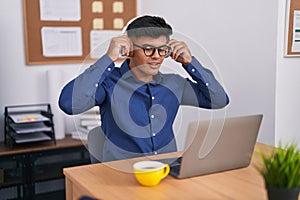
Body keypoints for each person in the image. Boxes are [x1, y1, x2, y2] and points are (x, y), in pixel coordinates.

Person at [59, 15, 229, 162]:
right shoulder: (109, 83)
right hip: (121, 174)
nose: (156, 56)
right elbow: (69, 104)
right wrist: (109, 58)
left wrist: (191, 63)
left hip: (167, 170)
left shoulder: (175, 84)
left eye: (162, 50)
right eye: (148, 49)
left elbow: (219, 100)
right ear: (130, 50)